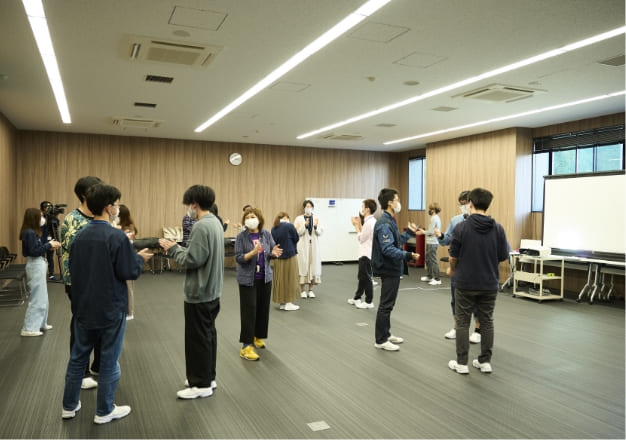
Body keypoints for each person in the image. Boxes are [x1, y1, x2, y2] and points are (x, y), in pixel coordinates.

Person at [61, 183, 152, 424]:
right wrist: (139, 259)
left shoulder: (79, 236)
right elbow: (128, 271)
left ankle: (69, 406)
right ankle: (104, 410)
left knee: (78, 357)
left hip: (83, 306)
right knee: (110, 359)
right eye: (117, 204)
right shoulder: (116, 237)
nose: (118, 208)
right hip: (111, 307)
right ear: (109, 207)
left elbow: (74, 271)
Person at [159, 185, 224, 399]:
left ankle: (200, 384)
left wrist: (172, 248)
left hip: (199, 292)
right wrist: (178, 248)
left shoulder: (201, 226)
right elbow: (199, 254)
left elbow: (192, 260)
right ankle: (207, 377)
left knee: (197, 339)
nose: (188, 209)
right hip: (212, 291)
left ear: (194, 204)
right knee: (208, 336)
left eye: (189, 205)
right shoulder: (215, 222)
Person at [447, 188, 509, 375]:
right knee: (487, 321)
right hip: (489, 283)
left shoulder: (461, 227)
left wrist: (452, 269)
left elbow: (453, 256)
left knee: (462, 322)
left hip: (465, 282)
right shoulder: (498, 228)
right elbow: (503, 255)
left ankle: (462, 363)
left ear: (470, 204)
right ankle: (485, 362)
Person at [61, 175, 103, 390]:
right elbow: (78, 251)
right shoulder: (73, 219)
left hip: (100, 281)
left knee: (101, 325)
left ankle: (97, 365)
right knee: (82, 327)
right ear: (85, 195)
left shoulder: (99, 217)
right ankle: (81, 372)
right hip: (79, 282)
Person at [371, 188, 420, 351]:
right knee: (386, 305)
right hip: (388, 268)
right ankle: (380, 340)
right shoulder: (384, 223)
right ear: (390, 203)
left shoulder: (389, 220)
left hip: (392, 267)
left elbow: (397, 240)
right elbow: (388, 249)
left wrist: (410, 233)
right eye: (397, 200)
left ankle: (386, 333)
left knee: (388, 304)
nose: (399, 203)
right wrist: (408, 255)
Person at [235, 207, 283, 361]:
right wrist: (252, 253)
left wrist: (273, 254)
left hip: (265, 277)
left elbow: (271, 251)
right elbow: (239, 258)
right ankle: (246, 346)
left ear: (259, 219)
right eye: (247, 217)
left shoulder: (266, 234)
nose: (250, 219)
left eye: (253, 216)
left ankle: (257, 337)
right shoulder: (241, 237)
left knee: (262, 309)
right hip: (247, 279)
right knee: (249, 311)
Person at [435, 190, 481, 343]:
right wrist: (441, 236)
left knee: (476, 299)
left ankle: (478, 330)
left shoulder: (481, 222)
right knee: (456, 299)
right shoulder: (455, 220)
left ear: (472, 203)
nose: (463, 206)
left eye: (466, 203)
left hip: (475, 266)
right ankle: (457, 327)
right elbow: (447, 239)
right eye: (461, 204)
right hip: (458, 265)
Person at [19, 208, 61, 336]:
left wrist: (49, 244)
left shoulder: (33, 231)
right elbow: (33, 251)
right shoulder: (29, 232)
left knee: (42, 297)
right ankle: (29, 328)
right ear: (34, 217)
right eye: (41, 216)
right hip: (34, 264)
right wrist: (49, 245)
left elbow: (39, 246)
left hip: (39, 264)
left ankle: (41, 323)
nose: (43, 218)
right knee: (37, 297)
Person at [348, 198, 377, 309]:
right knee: (362, 277)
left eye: (363, 207)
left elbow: (361, 238)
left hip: (366, 254)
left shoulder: (369, 223)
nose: (361, 209)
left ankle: (369, 301)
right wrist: (359, 224)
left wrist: (356, 226)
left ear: (367, 209)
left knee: (366, 277)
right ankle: (357, 297)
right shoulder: (370, 221)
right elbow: (364, 234)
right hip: (366, 253)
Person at [270, 212, 300, 311]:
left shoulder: (274, 228)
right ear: (286, 217)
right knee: (290, 278)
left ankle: (282, 303)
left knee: (280, 279)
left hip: (278, 256)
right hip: (289, 255)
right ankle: (288, 302)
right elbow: (296, 238)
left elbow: (273, 242)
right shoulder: (289, 226)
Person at [294, 200, 323, 298]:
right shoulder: (298, 219)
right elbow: (296, 232)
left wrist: (316, 227)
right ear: (304, 208)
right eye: (307, 206)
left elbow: (320, 232)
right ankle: (302, 290)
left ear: (313, 208)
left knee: (313, 266)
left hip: (313, 246)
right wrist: (304, 226)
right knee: (303, 266)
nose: (308, 208)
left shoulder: (316, 218)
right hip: (303, 246)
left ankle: (310, 290)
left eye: (310, 206)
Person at [116, 204, 138, 320]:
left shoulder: (129, 227)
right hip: (118, 261)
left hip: (128, 261)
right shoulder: (116, 226)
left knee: (129, 287)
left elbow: (127, 242)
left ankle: (130, 312)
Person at [416, 202, 442, 285]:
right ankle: (429, 276)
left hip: (432, 242)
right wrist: (423, 231)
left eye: (430, 209)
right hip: (430, 242)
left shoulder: (434, 218)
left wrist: (422, 232)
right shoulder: (434, 218)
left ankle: (437, 279)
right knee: (428, 259)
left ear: (434, 210)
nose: (429, 210)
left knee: (432, 260)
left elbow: (431, 232)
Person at [40, 201, 59, 280]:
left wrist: (55, 216)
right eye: (47, 207)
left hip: (50, 239)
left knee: (50, 257)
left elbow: (56, 225)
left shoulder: (52, 217)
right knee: (41, 258)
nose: (49, 209)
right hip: (41, 240)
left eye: (50, 207)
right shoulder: (40, 217)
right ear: (42, 208)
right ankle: (41, 275)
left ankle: (51, 274)